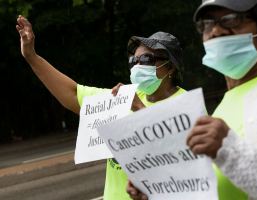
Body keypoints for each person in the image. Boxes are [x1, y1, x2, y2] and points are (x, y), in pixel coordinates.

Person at [127, 0, 257, 200]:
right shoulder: (226, 104)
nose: (216, 31)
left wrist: (229, 148)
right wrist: (158, 190)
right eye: (207, 24)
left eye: (232, 19)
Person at [16, 16, 185, 200]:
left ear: (170, 67)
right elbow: (72, 94)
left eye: (146, 59)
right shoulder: (124, 98)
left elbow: (184, 162)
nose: (137, 66)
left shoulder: (185, 104)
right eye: (133, 61)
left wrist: (139, 109)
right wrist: (31, 56)